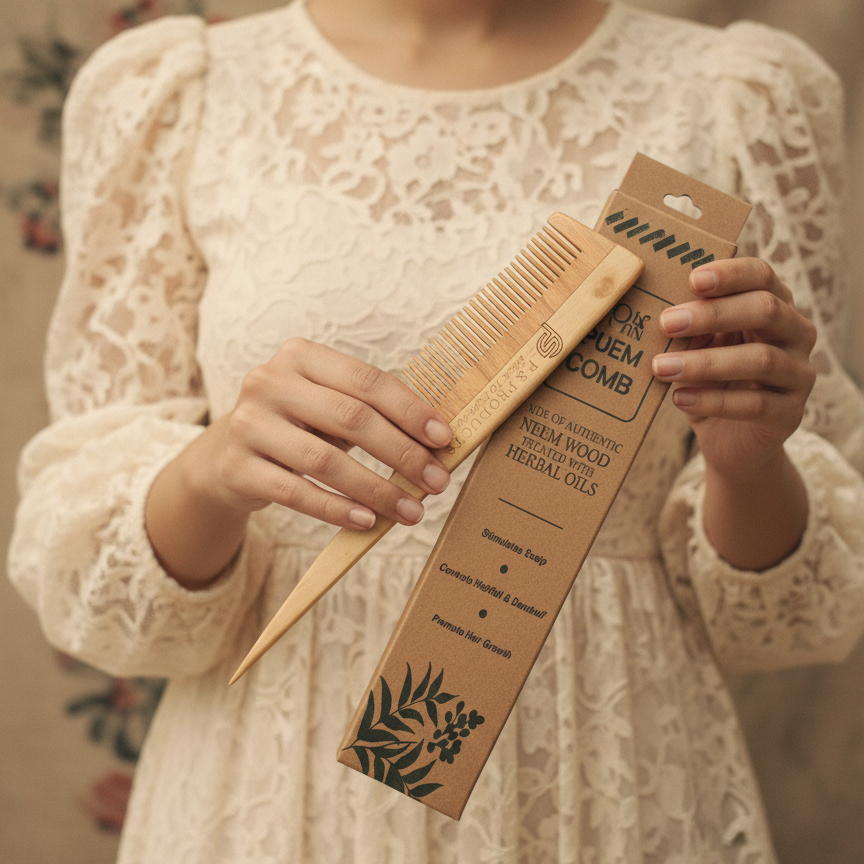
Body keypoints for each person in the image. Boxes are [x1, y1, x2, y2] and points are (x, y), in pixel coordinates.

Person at [8, 0, 864, 861]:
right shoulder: (173, 92)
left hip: (606, 776)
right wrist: (209, 471)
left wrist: (749, 462)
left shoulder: (741, 98)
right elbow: (103, 605)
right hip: (273, 782)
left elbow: (784, 624)